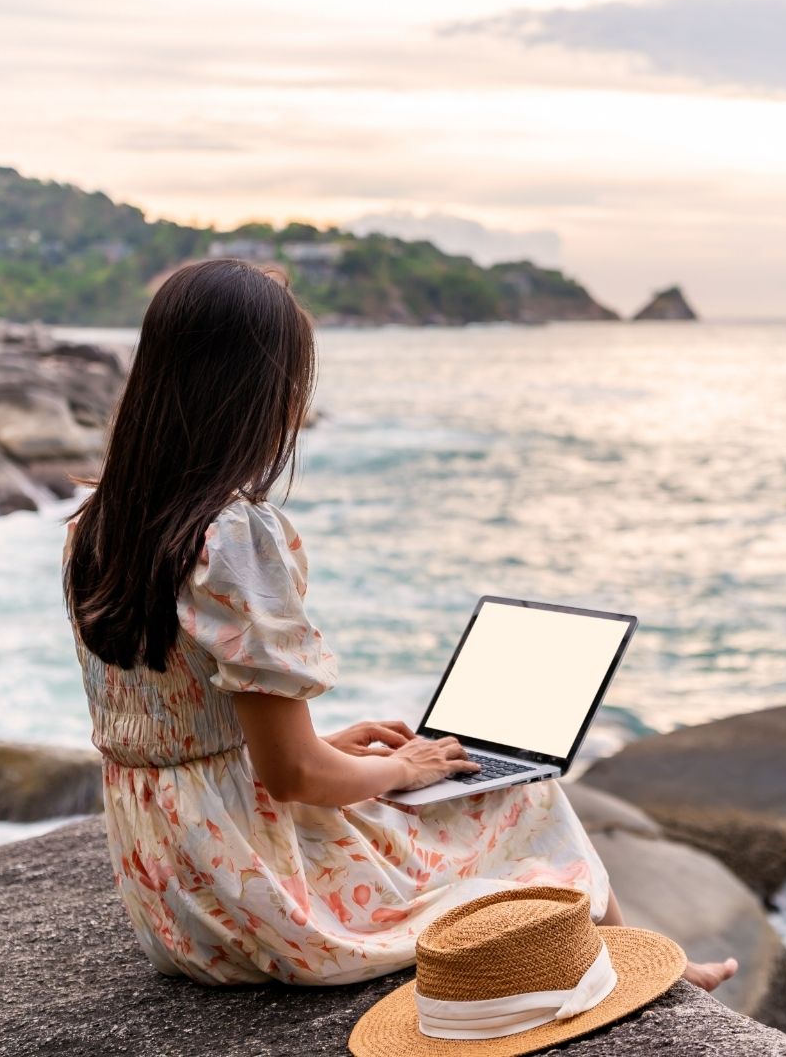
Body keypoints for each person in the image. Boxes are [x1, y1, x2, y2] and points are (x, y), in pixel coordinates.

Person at [62, 258, 737, 991]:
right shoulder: (232, 538)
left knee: (428, 784)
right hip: (259, 902)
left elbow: (194, 721)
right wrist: (399, 768)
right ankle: (647, 968)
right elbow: (293, 777)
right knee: (522, 792)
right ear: (264, 394)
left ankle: (642, 960)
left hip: (171, 894)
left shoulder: (100, 521)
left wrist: (331, 749)